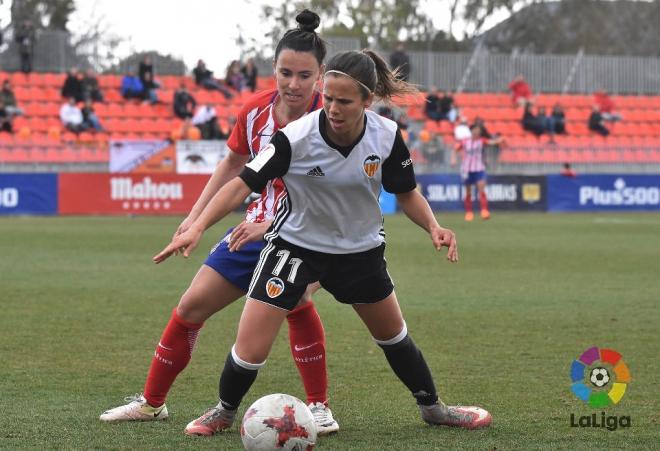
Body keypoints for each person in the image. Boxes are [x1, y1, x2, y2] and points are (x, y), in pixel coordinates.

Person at [154, 49, 492, 433]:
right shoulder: (294, 137)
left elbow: (407, 192)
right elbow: (241, 185)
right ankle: (225, 411)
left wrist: (433, 226)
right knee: (250, 348)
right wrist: (198, 226)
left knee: (394, 337)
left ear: (367, 100)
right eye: (328, 97)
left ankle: (434, 408)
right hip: (294, 248)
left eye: (344, 101)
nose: (332, 107)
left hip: (359, 253)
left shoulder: (386, 135)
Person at [100, 10, 340, 437]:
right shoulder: (255, 113)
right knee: (191, 306)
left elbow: (338, 192)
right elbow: (231, 165)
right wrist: (193, 220)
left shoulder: (334, 120)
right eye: (286, 73)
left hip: (310, 235)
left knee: (298, 299)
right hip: (252, 230)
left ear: (320, 75)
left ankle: (319, 408)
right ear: (273, 69)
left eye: (305, 75)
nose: (294, 84)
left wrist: (292, 242)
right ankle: (152, 403)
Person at [453, 124, 503, 221]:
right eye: (475, 130)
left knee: (481, 189)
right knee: (468, 192)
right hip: (467, 169)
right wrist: (453, 159)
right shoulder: (465, 141)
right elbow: (456, 149)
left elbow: (491, 142)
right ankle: (469, 213)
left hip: (479, 169)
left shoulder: (481, 141)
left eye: (478, 130)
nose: (476, 132)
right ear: (471, 131)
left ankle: (484, 211)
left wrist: (499, 140)